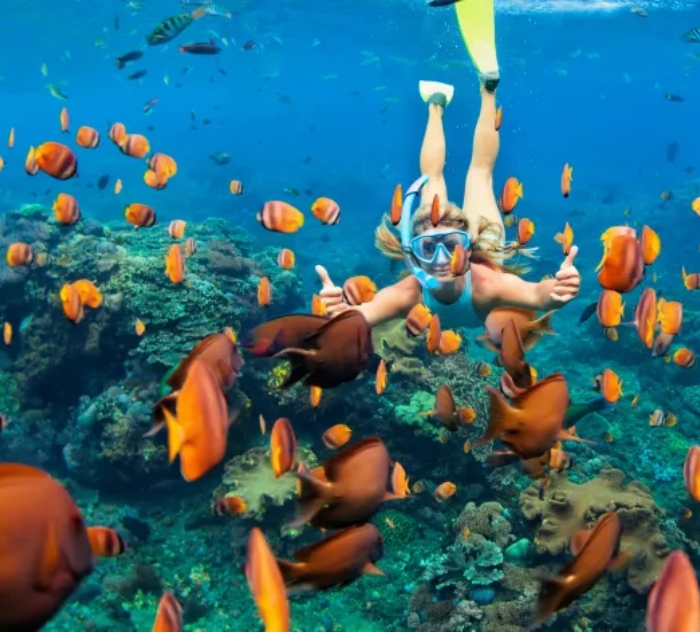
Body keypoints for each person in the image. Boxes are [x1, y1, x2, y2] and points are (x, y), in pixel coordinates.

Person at [315, 0, 580, 329]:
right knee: (479, 175)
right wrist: (340, 312)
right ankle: (475, 92)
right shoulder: (409, 292)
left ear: (468, 246)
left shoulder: (487, 284)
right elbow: (361, 316)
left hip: (483, 257)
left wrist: (556, 292)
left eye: (451, 245)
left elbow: (538, 295)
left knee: (443, 176)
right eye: (429, 248)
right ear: (415, 254)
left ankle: (450, 100)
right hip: (485, 247)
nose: (441, 259)